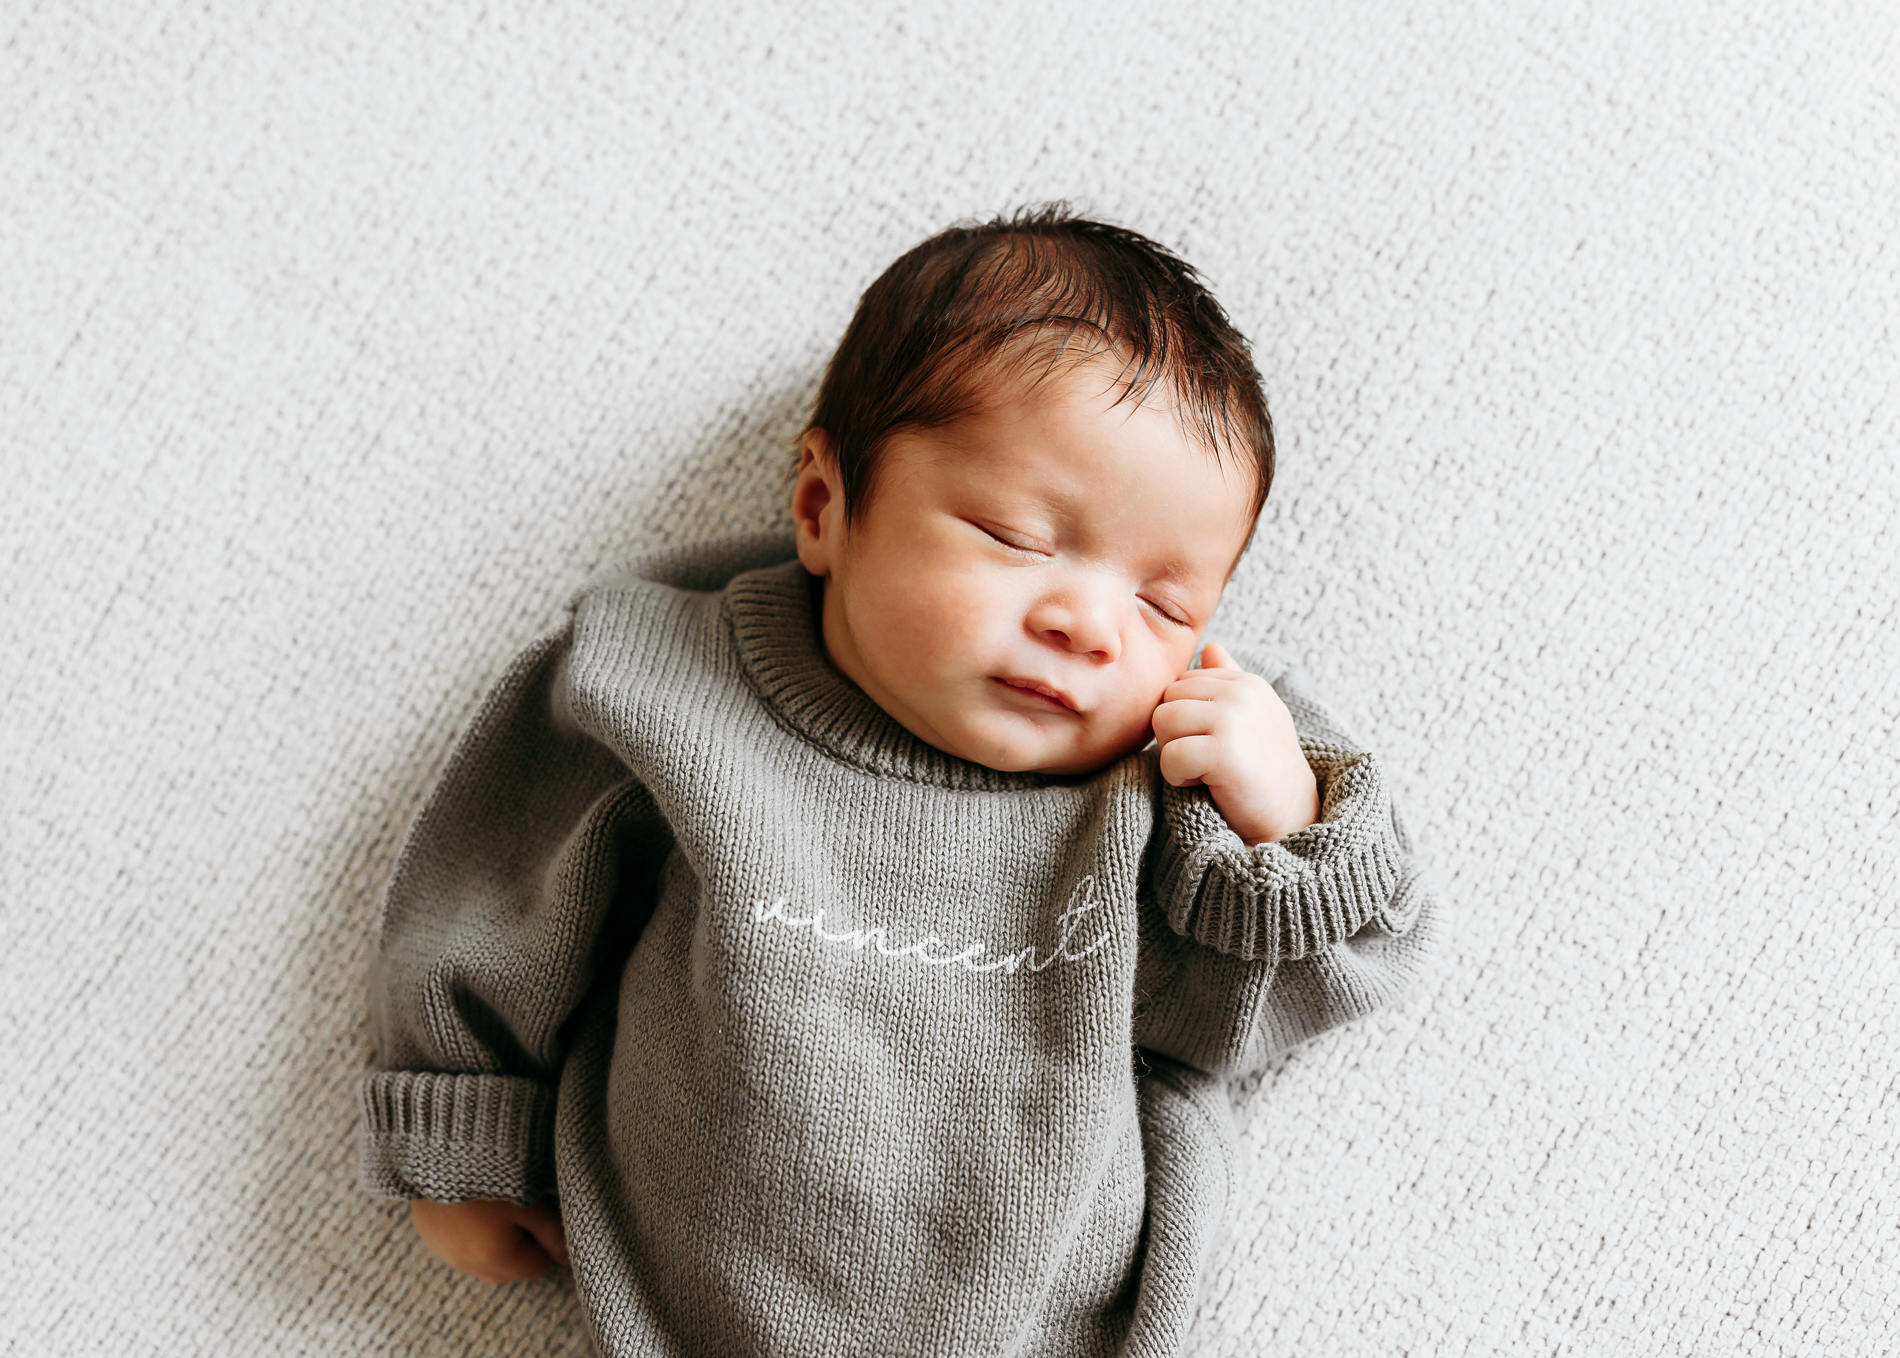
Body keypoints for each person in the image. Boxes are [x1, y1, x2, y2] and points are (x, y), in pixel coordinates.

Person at [359, 205, 1437, 1357]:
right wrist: (459, 1140)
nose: (1087, 623)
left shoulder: (1157, 782)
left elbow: (1245, 1019)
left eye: (1165, 602)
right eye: (1018, 536)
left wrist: (1282, 834)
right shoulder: (670, 687)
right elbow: (492, 882)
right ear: (824, 507)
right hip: (692, 1291)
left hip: (1044, 1315)